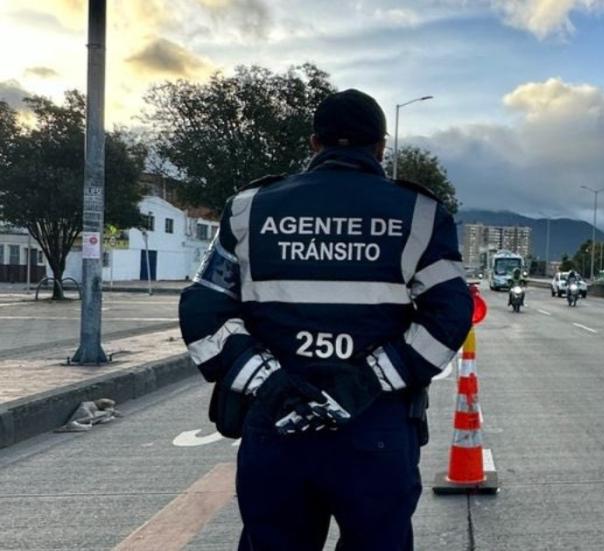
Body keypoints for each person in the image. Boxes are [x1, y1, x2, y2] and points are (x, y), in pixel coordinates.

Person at [178, 88, 473, 550]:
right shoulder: (418, 213)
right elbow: (452, 312)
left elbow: (202, 307)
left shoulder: (250, 208)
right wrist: (370, 382)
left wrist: (268, 383)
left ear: (315, 144)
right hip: (375, 432)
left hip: (278, 428)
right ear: (380, 147)